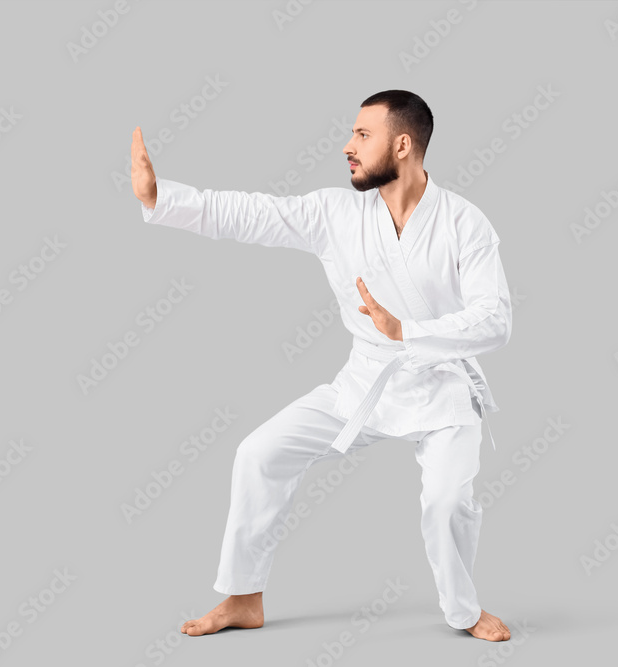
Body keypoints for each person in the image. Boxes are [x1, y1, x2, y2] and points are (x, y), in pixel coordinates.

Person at [130, 90, 512, 642]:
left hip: (441, 386)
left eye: (363, 135)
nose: (347, 146)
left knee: (447, 502)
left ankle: (464, 612)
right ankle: (243, 598)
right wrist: (161, 197)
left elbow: (495, 320)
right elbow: (251, 213)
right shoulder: (336, 213)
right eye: (352, 134)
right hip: (365, 384)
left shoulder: (464, 223)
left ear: (403, 145)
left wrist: (407, 331)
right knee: (260, 453)